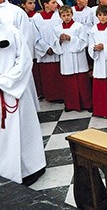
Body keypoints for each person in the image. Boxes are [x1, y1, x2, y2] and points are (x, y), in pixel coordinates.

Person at [0, 21, 46, 185]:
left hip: (13, 90)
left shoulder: (11, 32)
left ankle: (30, 168)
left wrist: (5, 82)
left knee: (21, 131)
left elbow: (24, 60)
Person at [52, 5, 92, 112]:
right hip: (66, 58)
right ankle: (71, 104)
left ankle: (86, 104)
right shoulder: (57, 28)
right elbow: (54, 43)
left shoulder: (79, 26)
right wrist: (59, 41)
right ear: (60, 16)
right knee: (69, 83)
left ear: (72, 14)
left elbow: (84, 41)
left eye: (68, 15)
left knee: (82, 82)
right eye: (64, 15)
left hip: (78, 57)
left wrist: (71, 39)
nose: (66, 17)